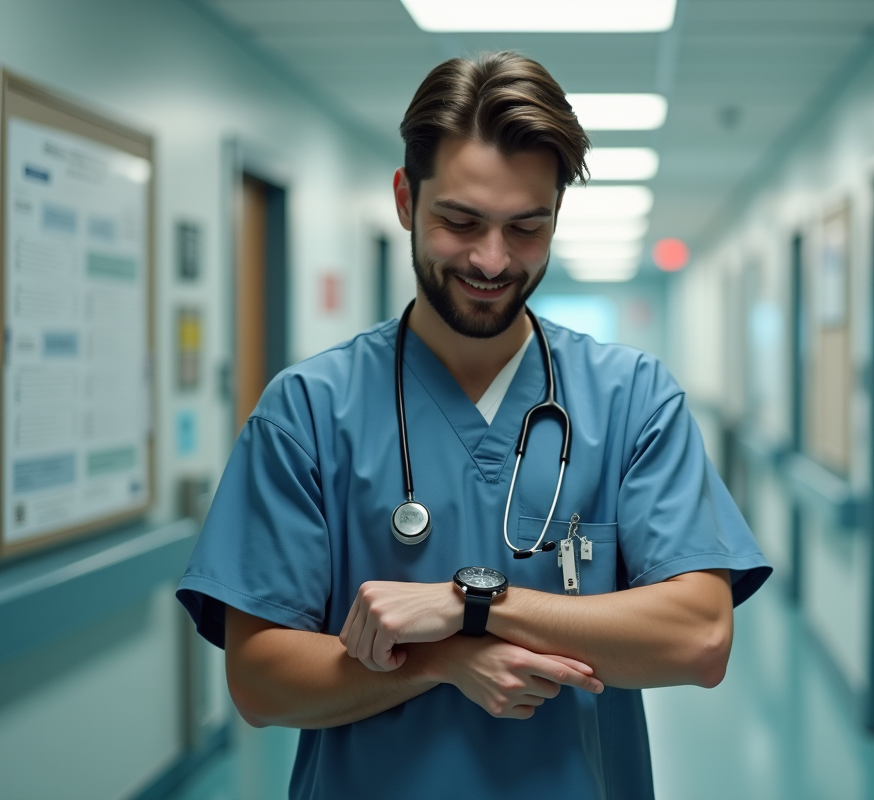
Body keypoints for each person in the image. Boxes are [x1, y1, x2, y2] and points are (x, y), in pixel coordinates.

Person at [177, 51, 770, 800]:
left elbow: (700, 637)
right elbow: (260, 682)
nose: (492, 259)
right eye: (461, 221)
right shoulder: (308, 411)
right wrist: (443, 660)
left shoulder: (632, 399)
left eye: (527, 227)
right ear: (404, 199)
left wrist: (473, 608)